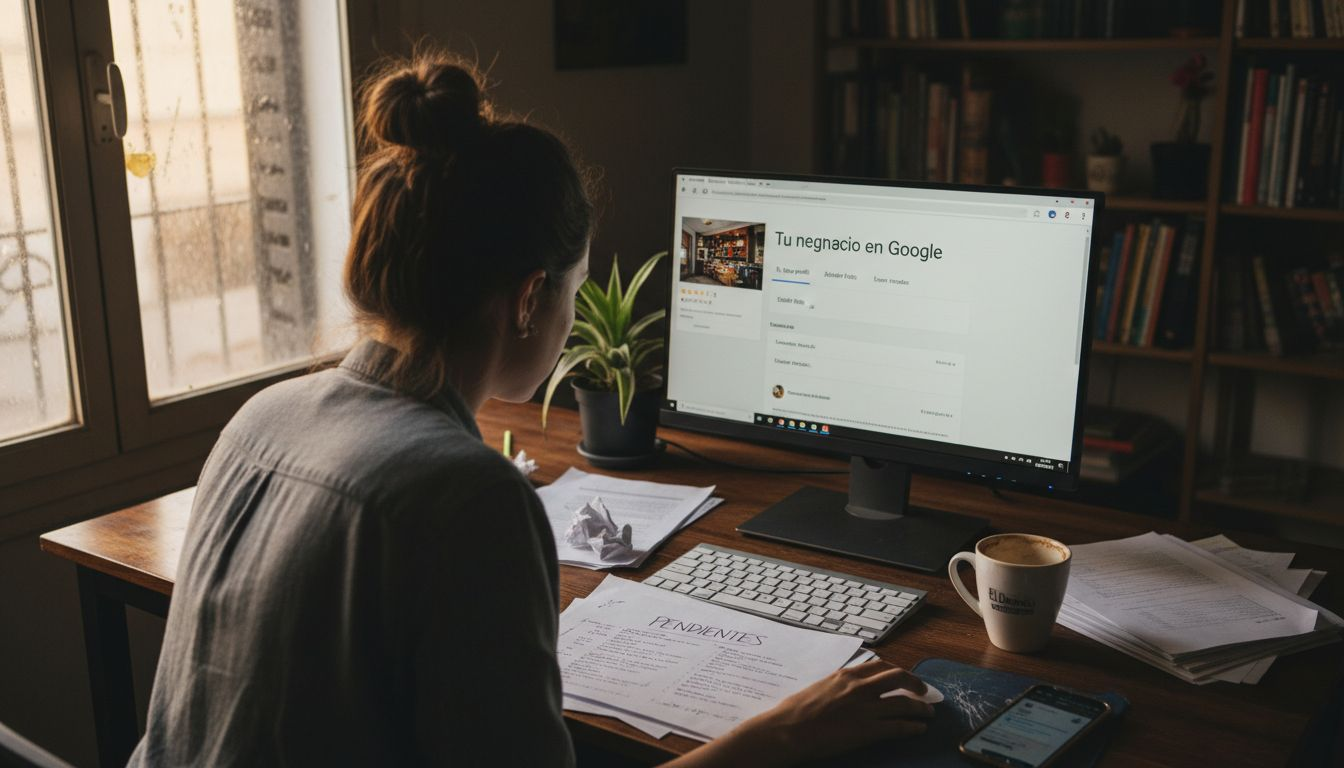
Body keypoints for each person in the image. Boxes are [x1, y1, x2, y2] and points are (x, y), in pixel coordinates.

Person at [129, 48, 934, 767]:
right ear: (527, 299)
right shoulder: (471, 497)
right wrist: (780, 736)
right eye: (575, 292)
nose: (573, 319)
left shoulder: (262, 418)